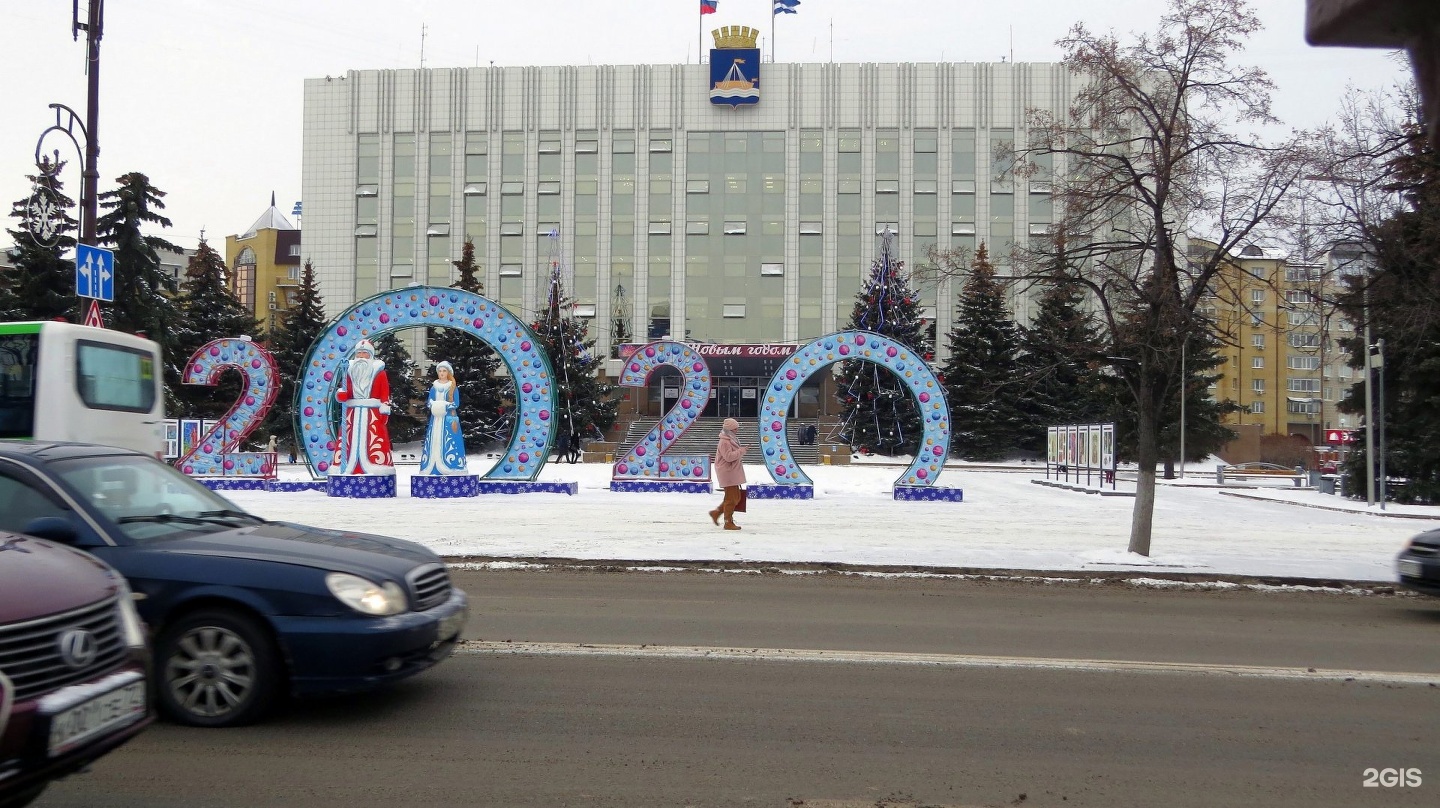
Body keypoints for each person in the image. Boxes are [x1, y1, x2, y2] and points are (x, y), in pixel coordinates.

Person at [333, 339, 396, 476]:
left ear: (371, 355)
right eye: (359, 353)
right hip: (352, 413)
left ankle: (378, 465)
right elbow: (347, 391)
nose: (361, 356)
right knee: (348, 440)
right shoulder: (349, 372)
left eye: (364, 353)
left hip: (372, 413)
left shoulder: (379, 372)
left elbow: (384, 392)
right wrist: (342, 395)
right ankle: (345, 467)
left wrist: (384, 407)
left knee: (375, 440)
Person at [419, 361, 468, 475]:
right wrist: (433, 405)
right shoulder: (434, 387)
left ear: (448, 373)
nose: (441, 373)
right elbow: (429, 401)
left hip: (448, 419)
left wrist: (444, 406)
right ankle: (431, 466)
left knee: (450, 441)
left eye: (444, 371)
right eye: (440, 371)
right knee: (433, 441)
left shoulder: (452, 387)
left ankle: (452, 465)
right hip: (435, 420)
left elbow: (456, 403)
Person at [709, 417, 749, 531]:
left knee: (735, 496)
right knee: (731, 498)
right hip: (727, 472)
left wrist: (741, 450)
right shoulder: (724, 441)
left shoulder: (730, 438)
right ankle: (728, 522)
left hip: (731, 471)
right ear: (730, 429)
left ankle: (716, 513)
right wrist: (741, 451)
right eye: (735, 429)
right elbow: (728, 457)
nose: (737, 431)